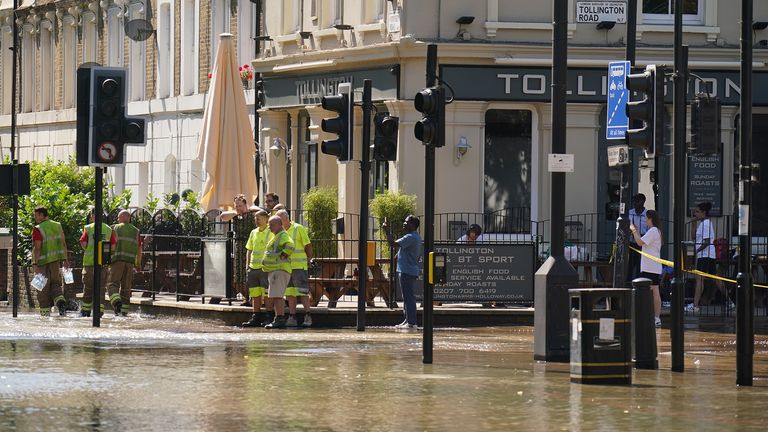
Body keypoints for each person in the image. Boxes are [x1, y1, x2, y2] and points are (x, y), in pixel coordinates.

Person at [687, 202, 733, 312]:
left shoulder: (706, 223)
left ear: (704, 213)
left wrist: (696, 251)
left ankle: (695, 305)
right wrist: (693, 225)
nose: (695, 214)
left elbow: (707, 242)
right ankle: (730, 302)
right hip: (706, 255)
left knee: (700, 279)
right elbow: (694, 238)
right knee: (716, 279)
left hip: (705, 255)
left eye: (698, 212)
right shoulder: (701, 224)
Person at [383, 215, 422, 329]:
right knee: (406, 297)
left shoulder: (410, 237)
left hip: (407, 271)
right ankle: (407, 320)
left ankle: (411, 322)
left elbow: (392, 243)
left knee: (409, 297)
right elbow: (405, 250)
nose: (404, 223)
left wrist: (386, 230)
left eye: (406, 222)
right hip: (407, 269)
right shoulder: (414, 237)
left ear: (413, 225)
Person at [276, 209, 313, 327]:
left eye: (278, 220)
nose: (277, 222)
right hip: (286, 267)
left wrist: (308, 260)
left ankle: (308, 316)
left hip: (299, 266)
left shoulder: (298, 228)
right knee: (290, 293)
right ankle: (292, 317)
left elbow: (308, 245)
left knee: (302, 292)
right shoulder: (280, 232)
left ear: (285, 218)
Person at [31, 206, 70, 316]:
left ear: (41, 215)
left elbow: (37, 247)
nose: (35, 217)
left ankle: (44, 317)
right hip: (55, 262)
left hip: (42, 263)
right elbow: (63, 243)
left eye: (36, 215)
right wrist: (65, 259)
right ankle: (60, 301)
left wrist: (35, 263)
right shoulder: (57, 226)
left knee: (41, 289)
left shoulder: (38, 228)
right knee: (56, 285)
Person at [630, 209, 663, 327]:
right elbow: (642, 241)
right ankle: (653, 316)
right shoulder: (654, 231)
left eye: (646, 218)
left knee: (654, 291)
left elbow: (639, 242)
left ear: (651, 219)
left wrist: (633, 230)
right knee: (651, 291)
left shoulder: (653, 230)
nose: (645, 221)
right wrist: (637, 232)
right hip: (650, 267)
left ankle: (657, 317)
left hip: (651, 267)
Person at [107, 210, 141, 316]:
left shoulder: (114, 228)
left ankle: (116, 302)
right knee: (126, 287)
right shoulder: (136, 231)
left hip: (117, 260)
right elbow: (139, 248)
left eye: (118, 217)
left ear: (122, 217)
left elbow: (109, 245)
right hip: (130, 262)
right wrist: (138, 263)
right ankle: (124, 312)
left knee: (112, 283)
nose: (117, 219)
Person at [262, 215, 294, 329]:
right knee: (275, 295)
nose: (269, 227)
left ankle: (279, 318)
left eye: (271, 225)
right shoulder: (277, 236)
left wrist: (283, 255)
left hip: (279, 269)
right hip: (275, 270)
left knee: (277, 295)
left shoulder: (282, 235)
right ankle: (278, 318)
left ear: (279, 224)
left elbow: (290, 245)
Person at [242, 210, 273, 327]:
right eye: (255, 218)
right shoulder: (253, 232)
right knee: (255, 293)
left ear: (266, 219)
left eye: (258, 218)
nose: (256, 220)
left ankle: (269, 315)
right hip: (253, 267)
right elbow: (249, 249)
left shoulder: (270, 232)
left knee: (266, 292)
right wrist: (247, 265)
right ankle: (256, 315)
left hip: (265, 267)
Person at [79, 209, 112, 317]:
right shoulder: (108, 229)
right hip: (103, 264)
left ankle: (85, 311)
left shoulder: (88, 228)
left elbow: (83, 243)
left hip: (89, 264)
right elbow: (113, 246)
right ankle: (99, 312)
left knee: (88, 288)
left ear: (93, 216)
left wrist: (89, 249)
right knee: (101, 288)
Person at [232, 194, 257, 307]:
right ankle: (246, 297)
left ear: (246, 205)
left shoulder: (252, 216)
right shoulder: (236, 217)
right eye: (236, 206)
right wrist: (236, 212)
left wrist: (248, 211)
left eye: (240, 205)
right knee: (238, 277)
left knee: (248, 274)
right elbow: (223, 216)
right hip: (238, 247)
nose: (238, 208)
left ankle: (252, 298)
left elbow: (262, 210)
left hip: (249, 247)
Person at [627, 193, 648, 280]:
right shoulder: (630, 213)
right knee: (630, 265)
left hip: (642, 244)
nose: (634, 203)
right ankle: (628, 283)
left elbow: (648, 230)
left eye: (636, 201)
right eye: (633, 201)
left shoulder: (647, 214)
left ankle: (639, 284)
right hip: (631, 243)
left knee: (640, 266)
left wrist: (640, 234)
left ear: (642, 202)